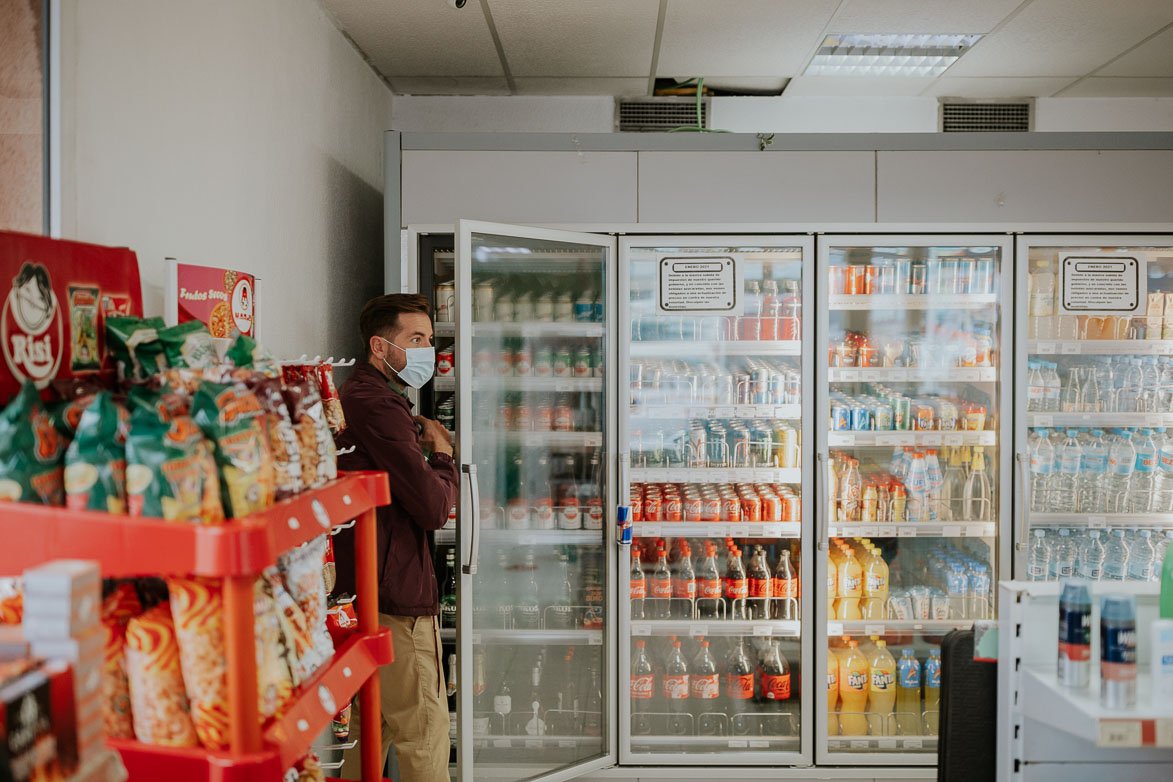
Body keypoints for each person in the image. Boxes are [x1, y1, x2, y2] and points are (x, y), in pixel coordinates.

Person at [334, 293, 457, 781]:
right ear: (380, 347)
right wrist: (444, 456)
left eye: (429, 338)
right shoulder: (377, 404)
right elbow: (432, 508)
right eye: (417, 339)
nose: (427, 349)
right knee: (423, 733)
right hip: (396, 601)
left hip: (366, 590)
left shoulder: (364, 398)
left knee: (368, 733)